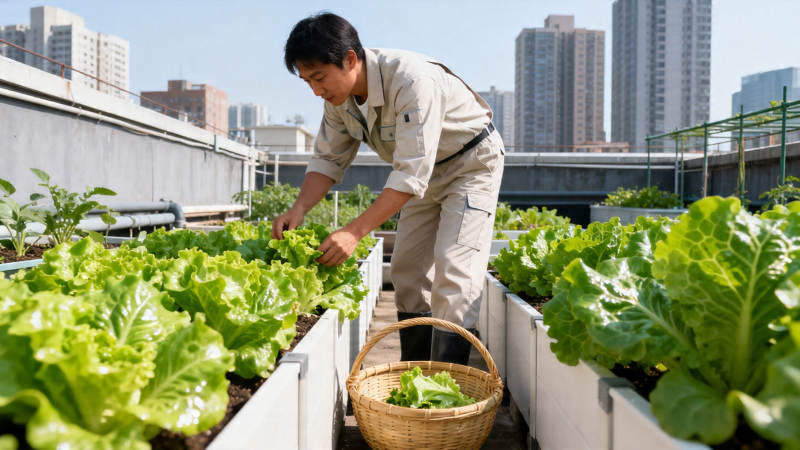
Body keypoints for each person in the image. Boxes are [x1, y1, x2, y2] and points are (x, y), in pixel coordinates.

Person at [275, 12, 504, 365]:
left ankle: (445, 390)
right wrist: (298, 209)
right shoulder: (339, 100)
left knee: (455, 270)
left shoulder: (412, 80)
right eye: (307, 81)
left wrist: (353, 232)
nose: (316, 90)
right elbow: (328, 161)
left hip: (470, 164)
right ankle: (415, 374)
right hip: (422, 176)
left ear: (350, 59)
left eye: (319, 77)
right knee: (407, 272)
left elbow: (411, 173)